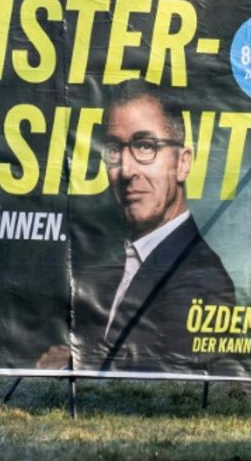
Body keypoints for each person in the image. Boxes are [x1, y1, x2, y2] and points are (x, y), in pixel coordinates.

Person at [73, 82, 236, 372]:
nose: (126, 170)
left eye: (145, 146)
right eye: (114, 150)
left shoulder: (202, 278)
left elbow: (163, 376)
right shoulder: (108, 272)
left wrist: (74, 361)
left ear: (182, 163)